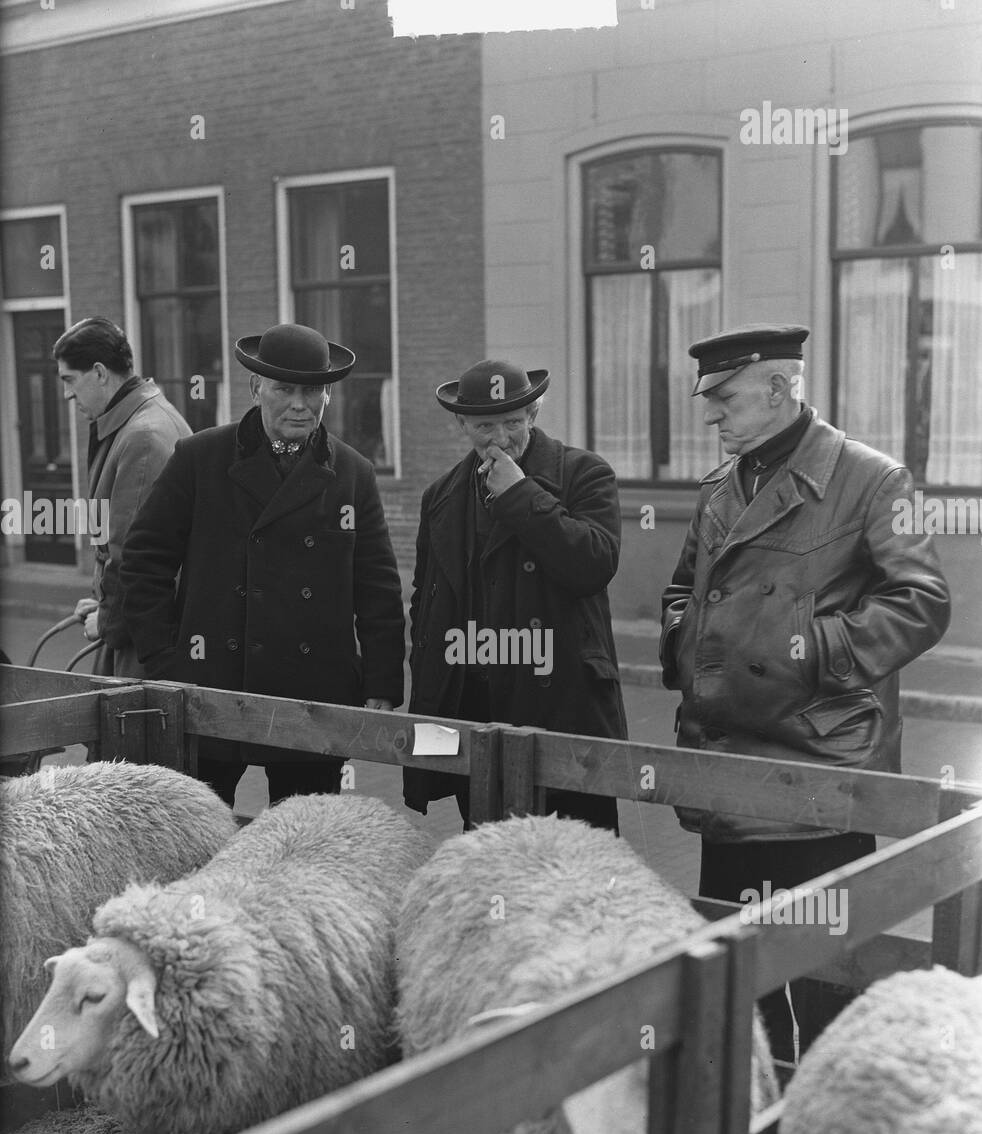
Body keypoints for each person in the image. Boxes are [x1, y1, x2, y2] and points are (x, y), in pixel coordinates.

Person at [659, 324, 951, 1057]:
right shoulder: (721, 488)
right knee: (739, 993)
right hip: (728, 767)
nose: (711, 415)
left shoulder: (872, 479)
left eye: (725, 398)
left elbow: (922, 600)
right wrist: (687, 646)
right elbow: (678, 590)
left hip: (821, 778)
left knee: (828, 988)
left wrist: (810, 650)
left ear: (780, 390)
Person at [120, 322, 404, 807]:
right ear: (256, 388)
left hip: (314, 691)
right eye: (284, 389)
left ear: (328, 395)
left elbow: (376, 583)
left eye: (312, 390)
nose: (300, 403)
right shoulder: (200, 458)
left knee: (305, 843)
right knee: (198, 831)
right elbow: (145, 559)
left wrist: (381, 679)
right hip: (212, 680)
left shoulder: (353, 473)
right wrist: (166, 658)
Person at [403, 359, 627, 831]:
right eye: (485, 425)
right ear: (462, 424)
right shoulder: (441, 495)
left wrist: (521, 495)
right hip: (473, 710)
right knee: (487, 856)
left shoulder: (585, 473)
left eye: (512, 422)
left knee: (571, 864)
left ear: (534, 415)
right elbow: (425, 598)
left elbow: (593, 565)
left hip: (557, 705)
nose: (500, 439)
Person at [53, 317, 191, 677]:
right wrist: (103, 604)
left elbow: (132, 552)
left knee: (125, 729)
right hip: (137, 622)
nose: (67, 394)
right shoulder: (137, 422)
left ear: (99, 372)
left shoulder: (142, 437)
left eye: (70, 380)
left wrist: (110, 619)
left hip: (142, 639)